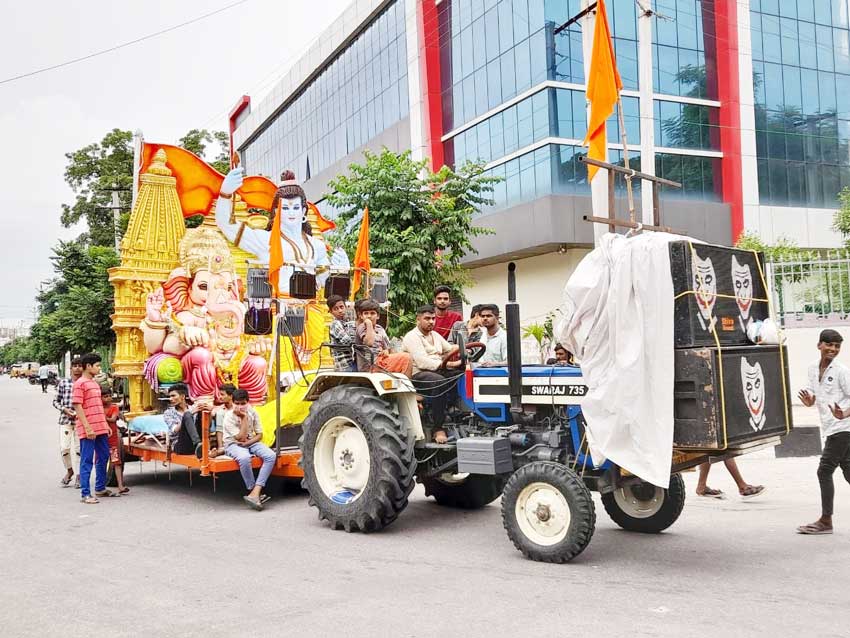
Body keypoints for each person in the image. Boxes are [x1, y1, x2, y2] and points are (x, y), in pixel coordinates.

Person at [797, 329, 850, 535]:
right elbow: (812, 395)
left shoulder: (841, 371)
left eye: (837, 346)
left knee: (824, 470)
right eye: (829, 345)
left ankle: (826, 520)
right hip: (830, 427)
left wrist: (844, 414)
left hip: (843, 428)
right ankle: (826, 520)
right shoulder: (812, 369)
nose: (833, 349)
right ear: (819, 345)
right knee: (848, 470)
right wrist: (810, 401)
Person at [402, 305, 462, 443]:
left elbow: (449, 348)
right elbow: (422, 362)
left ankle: (455, 411)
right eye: (427, 318)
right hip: (418, 374)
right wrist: (449, 364)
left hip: (437, 370)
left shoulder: (435, 335)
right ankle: (438, 427)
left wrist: (463, 350)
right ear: (418, 319)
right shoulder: (412, 337)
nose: (431, 322)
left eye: (433, 318)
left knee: (460, 374)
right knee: (440, 381)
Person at [221, 388, 277, 510]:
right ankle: (252, 490)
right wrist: (244, 418)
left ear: (248, 402)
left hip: (250, 442)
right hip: (233, 444)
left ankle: (256, 491)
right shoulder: (228, 417)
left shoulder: (253, 412)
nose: (240, 406)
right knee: (244, 458)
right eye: (237, 403)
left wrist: (248, 444)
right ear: (233, 402)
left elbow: (259, 435)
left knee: (271, 456)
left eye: (243, 403)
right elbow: (240, 438)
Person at [72, 353, 115, 503]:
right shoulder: (80, 383)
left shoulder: (95, 384)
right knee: (87, 460)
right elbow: (77, 406)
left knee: (103, 457)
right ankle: (85, 494)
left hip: (100, 427)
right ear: (88, 366)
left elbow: (98, 407)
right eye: (97, 365)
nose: (99, 368)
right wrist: (87, 427)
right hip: (88, 428)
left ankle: (100, 488)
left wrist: (104, 425)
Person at [355, 298, 412, 376]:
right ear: (361, 316)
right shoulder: (361, 327)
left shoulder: (380, 329)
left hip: (381, 361)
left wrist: (385, 351)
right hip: (369, 367)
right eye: (366, 313)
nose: (369, 316)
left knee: (406, 357)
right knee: (406, 357)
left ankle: (404, 383)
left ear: (378, 316)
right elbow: (369, 342)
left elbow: (388, 349)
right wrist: (368, 324)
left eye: (372, 313)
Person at [54, 357, 83, 488]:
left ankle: (79, 476)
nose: (77, 368)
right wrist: (64, 409)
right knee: (64, 449)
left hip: (80, 421)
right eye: (75, 366)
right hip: (65, 420)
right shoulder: (63, 383)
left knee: (79, 450)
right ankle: (69, 471)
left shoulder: (84, 383)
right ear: (70, 368)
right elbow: (55, 401)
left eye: (79, 366)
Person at [102, 387, 128, 494]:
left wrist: (101, 417)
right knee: (101, 462)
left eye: (109, 396)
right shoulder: (98, 407)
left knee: (116, 462)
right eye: (105, 396)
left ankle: (120, 486)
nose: (108, 398)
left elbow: (113, 419)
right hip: (101, 438)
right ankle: (101, 484)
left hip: (112, 438)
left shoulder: (114, 407)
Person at [168, 383, 203, 456]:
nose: (170, 399)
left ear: (183, 396)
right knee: (187, 414)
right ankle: (198, 444)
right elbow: (175, 430)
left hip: (196, 442)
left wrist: (209, 410)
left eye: (173, 396)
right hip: (181, 445)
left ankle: (203, 445)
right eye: (170, 396)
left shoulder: (193, 408)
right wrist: (189, 414)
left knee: (202, 412)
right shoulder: (168, 412)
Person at [327, 294, 357, 372]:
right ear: (331, 311)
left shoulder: (345, 323)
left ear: (345, 307)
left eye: (341, 307)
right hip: (344, 365)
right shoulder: (335, 324)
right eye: (335, 309)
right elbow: (348, 341)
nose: (340, 311)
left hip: (351, 363)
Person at [210, 383, 236, 457]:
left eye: (222, 394)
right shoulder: (220, 410)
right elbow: (219, 429)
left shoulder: (238, 408)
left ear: (231, 396)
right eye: (220, 394)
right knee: (220, 413)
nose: (220, 397)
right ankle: (221, 449)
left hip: (238, 438)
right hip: (226, 440)